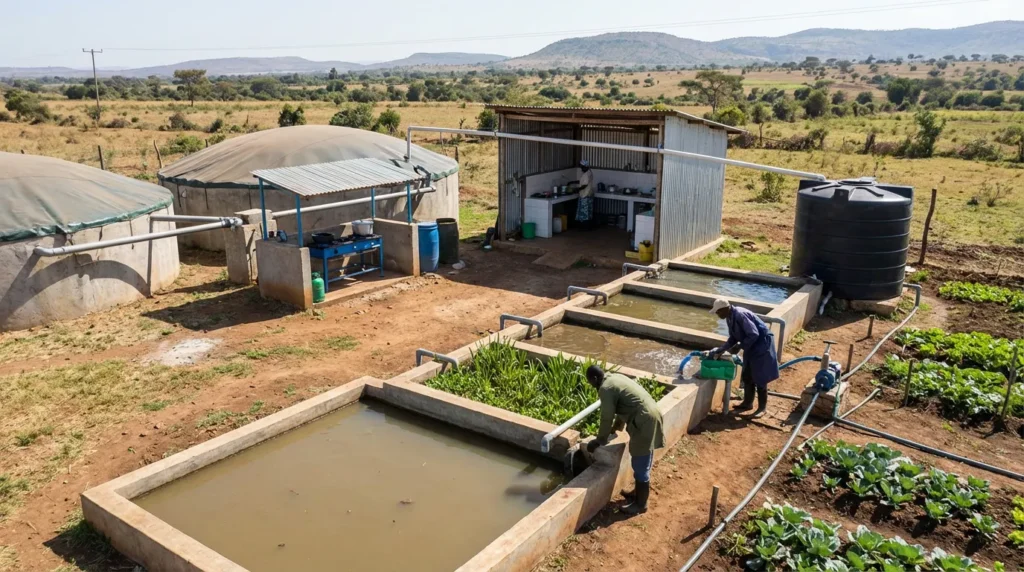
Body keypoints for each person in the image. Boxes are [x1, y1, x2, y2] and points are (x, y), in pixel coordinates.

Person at [585, 365, 664, 515]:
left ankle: (641, 504)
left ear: (595, 379)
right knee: (643, 457)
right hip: (650, 413)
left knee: (640, 461)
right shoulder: (615, 378)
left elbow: (606, 416)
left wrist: (599, 440)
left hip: (643, 420)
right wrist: (616, 430)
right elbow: (621, 407)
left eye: (590, 382)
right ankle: (637, 492)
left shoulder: (605, 388)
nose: (591, 385)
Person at [707, 298, 779, 418]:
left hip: (761, 344)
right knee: (747, 374)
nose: (717, 314)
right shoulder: (729, 317)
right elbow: (733, 338)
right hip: (751, 345)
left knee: (760, 377)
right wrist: (721, 349)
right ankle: (747, 403)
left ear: (725, 309)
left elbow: (754, 333)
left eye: (718, 312)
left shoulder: (740, 315)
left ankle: (762, 408)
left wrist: (741, 346)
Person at [575, 160, 594, 225]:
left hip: (585, 195)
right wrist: (572, 182)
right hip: (589, 194)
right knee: (588, 212)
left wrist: (577, 189)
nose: (581, 169)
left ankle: (584, 226)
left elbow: (584, 185)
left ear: (586, 167)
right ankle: (588, 225)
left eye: (582, 167)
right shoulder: (589, 172)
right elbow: (582, 182)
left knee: (584, 212)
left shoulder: (586, 174)